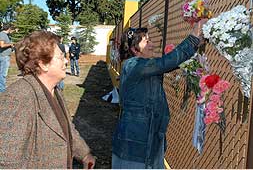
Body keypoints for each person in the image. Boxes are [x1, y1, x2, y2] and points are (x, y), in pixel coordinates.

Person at [112, 20, 207, 169]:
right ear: (134, 49)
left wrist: (195, 44)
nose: (152, 44)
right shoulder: (133, 65)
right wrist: (193, 37)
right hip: (134, 146)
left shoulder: (142, 66)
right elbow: (166, 62)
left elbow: (169, 63)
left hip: (150, 142)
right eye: (147, 41)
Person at [0, 30, 95, 169]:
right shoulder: (19, 96)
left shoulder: (55, 90)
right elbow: (7, 160)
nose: (66, 61)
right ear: (43, 64)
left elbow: (67, 129)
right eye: (61, 57)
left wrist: (85, 155)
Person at [0, 23, 16, 92]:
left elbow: (11, 32)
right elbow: (2, 45)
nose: (11, 30)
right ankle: (2, 90)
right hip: (4, 57)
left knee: (2, 73)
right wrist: (11, 44)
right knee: (3, 74)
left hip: (5, 56)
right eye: (11, 29)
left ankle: (2, 88)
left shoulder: (5, 34)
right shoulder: (2, 34)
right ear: (8, 29)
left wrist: (15, 30)